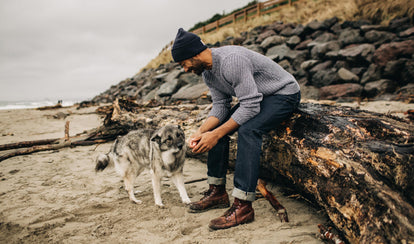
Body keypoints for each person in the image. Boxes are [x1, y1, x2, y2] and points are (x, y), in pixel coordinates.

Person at [171, 28, 301, 230]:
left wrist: (216, 134)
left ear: (194, 54)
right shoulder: (207, 73)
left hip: (283, 94)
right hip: (258, 96)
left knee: (248, 130)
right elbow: (221, 106)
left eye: (184, 64)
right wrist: (202, 131)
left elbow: (250, 105)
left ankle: (243, 205)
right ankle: (217, 192)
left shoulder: (232, 61)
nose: (185, 70)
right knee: (215, 131)